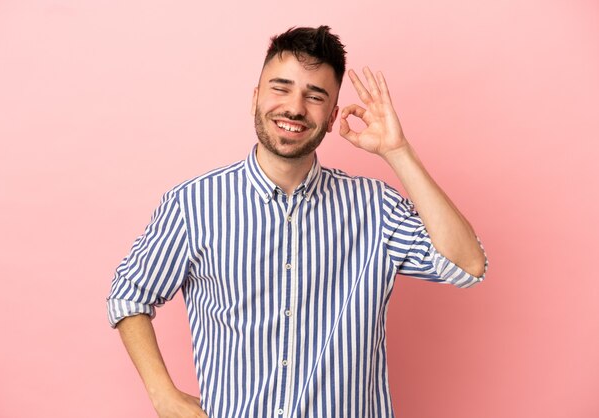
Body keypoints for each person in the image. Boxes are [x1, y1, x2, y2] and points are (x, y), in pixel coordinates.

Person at [107, 25, 487, 418]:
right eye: (281, 87)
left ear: (333, 114)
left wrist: (398, 151)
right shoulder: (193, 205)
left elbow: (467, 266)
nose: (294, 107)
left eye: (315, 95)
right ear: (255, 97)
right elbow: (128, 293)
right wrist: (162, 395)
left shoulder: (375, 208)